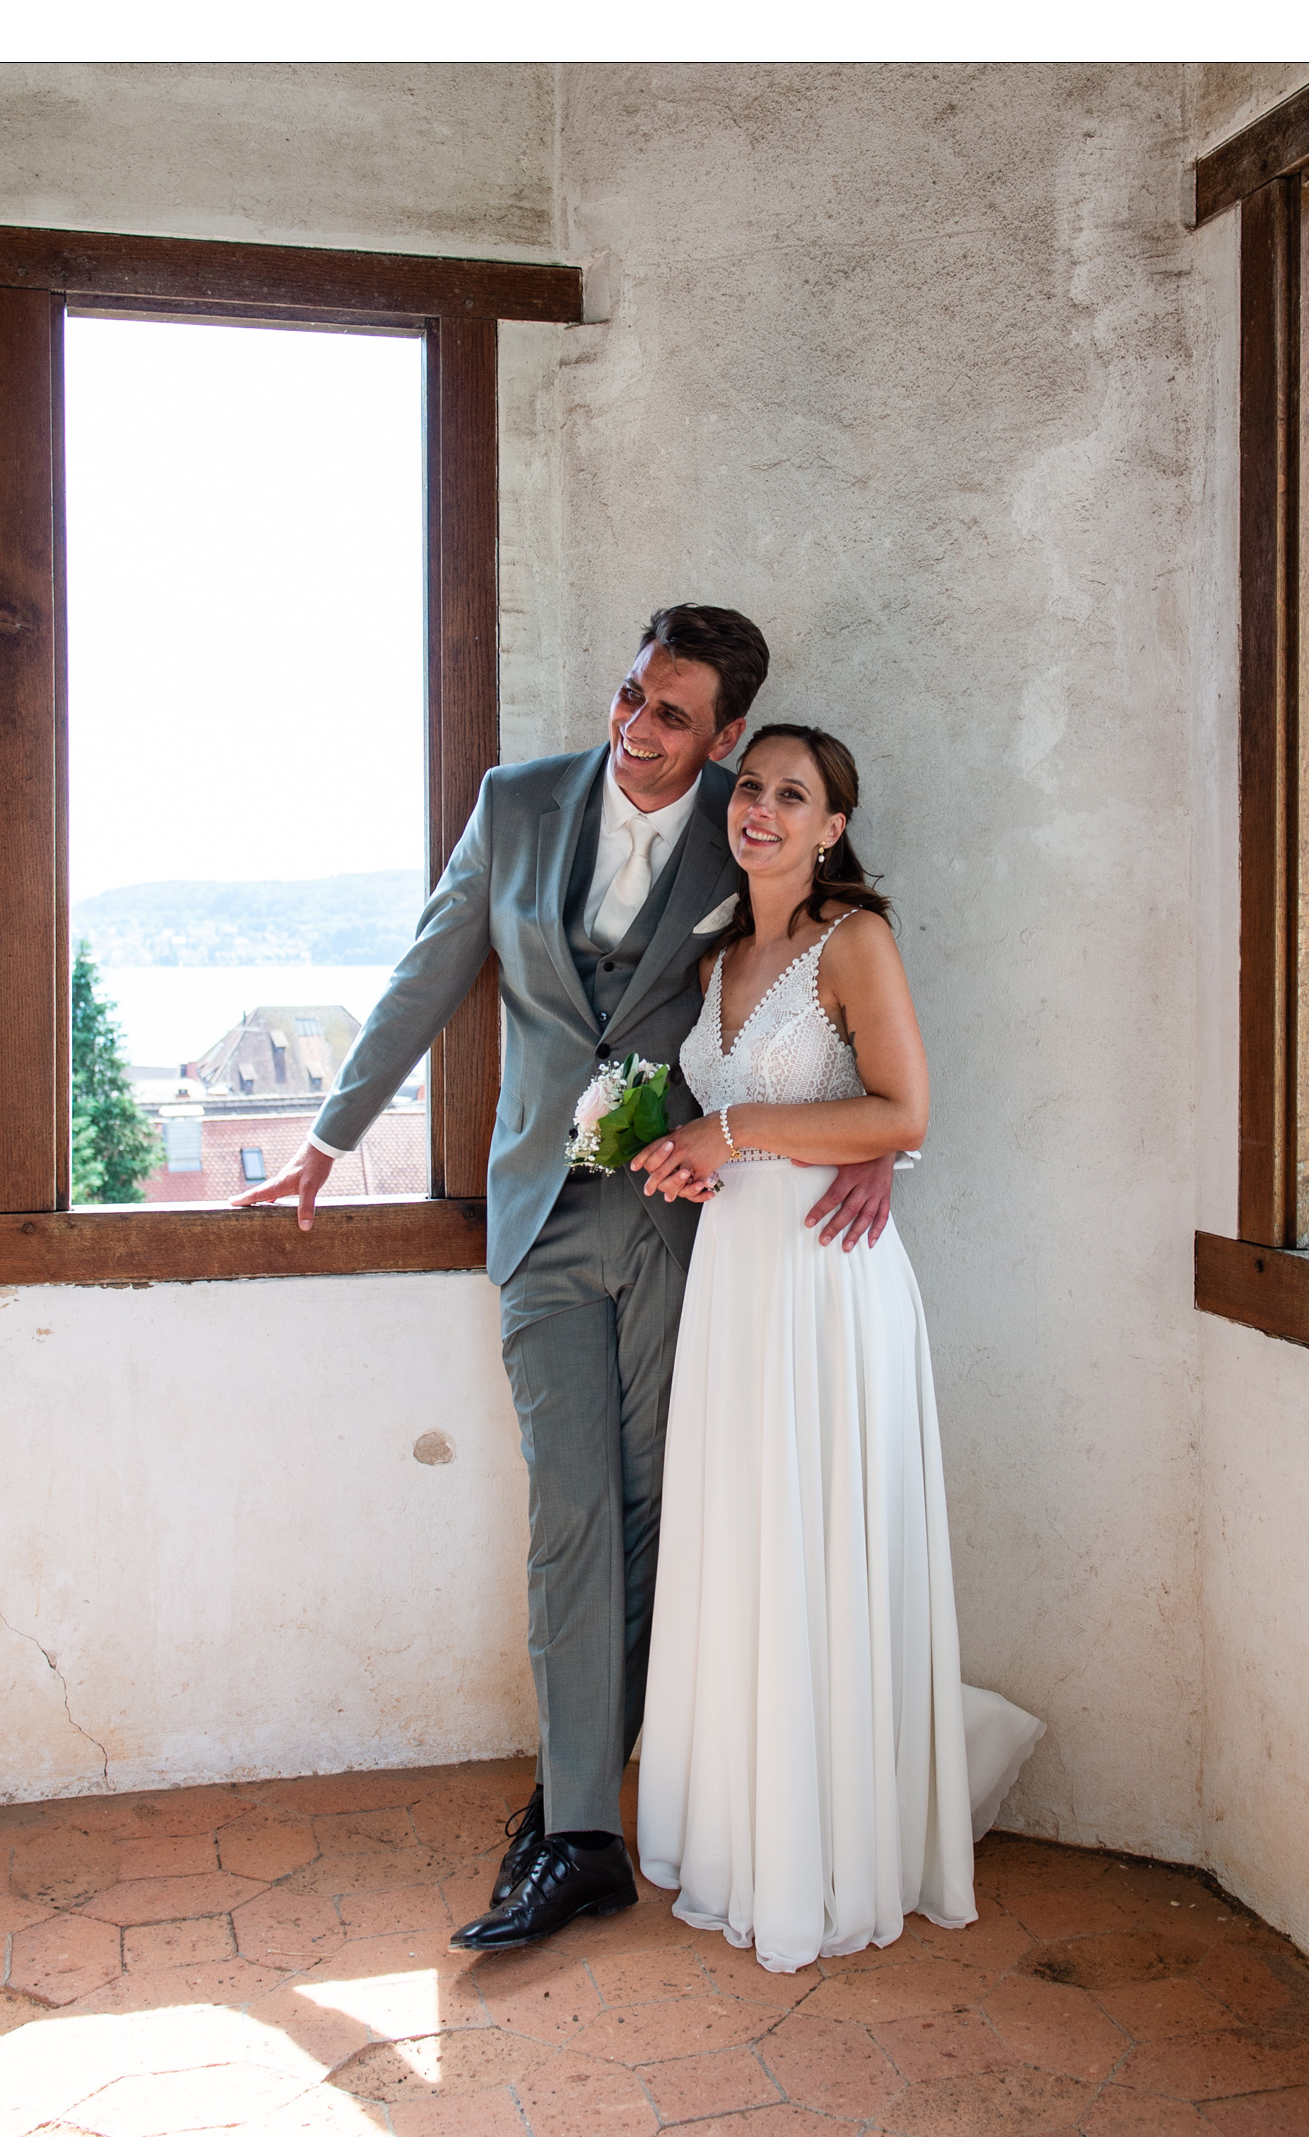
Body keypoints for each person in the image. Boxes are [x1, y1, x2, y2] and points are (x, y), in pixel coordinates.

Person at [235, 611, 900, 1950]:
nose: (637, 729)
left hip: (685, 1222)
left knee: (665, 1507)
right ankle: (583, 1822)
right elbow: (428, 969)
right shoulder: (516, 802)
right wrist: (329, 1136)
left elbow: (824, 984)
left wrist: (882, 1141)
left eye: (672, 716)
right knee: (571, 1506)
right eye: (630, 696)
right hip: (541, 1210)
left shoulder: (750, 822)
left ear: (722, 734)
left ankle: (579, 1806)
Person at [629, 725, 1045, 1974]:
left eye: (792, 795)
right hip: (734, 1276)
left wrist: (745, 1132)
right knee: (748, 1536)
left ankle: (839, 1840)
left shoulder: (851, 940)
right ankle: (750, 1824)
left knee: (819, 1531)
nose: (760, 808)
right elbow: (785, 1125)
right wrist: (693, 1160)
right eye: (750, 787)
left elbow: (903, 1107)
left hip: (825, 1277)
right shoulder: (716, 954)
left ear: (832, 827)